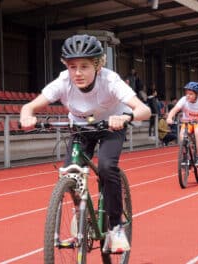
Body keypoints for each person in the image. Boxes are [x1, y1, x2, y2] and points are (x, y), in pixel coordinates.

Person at [19, 34, 151, 253]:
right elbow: (29, 107)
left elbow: (144, 110)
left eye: (84, 66)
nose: (77, 73)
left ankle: (116, 227)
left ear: (97, 65)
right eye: (72, 67)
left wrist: (126, 117)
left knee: (107, 167)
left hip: (111, 127)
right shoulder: (63, 81)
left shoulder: (110, 80)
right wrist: (27, 116)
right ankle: (81, 212)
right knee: (70, 173)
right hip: (81, 129)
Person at [166, 81, 198, 166]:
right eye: (187, 93)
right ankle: (185, 156)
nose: (188, 95)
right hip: (187, 122)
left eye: (191, 94)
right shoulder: (184, 99)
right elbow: (174, 110)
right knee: (182, 135)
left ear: (197, 95)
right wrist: (169, 118)